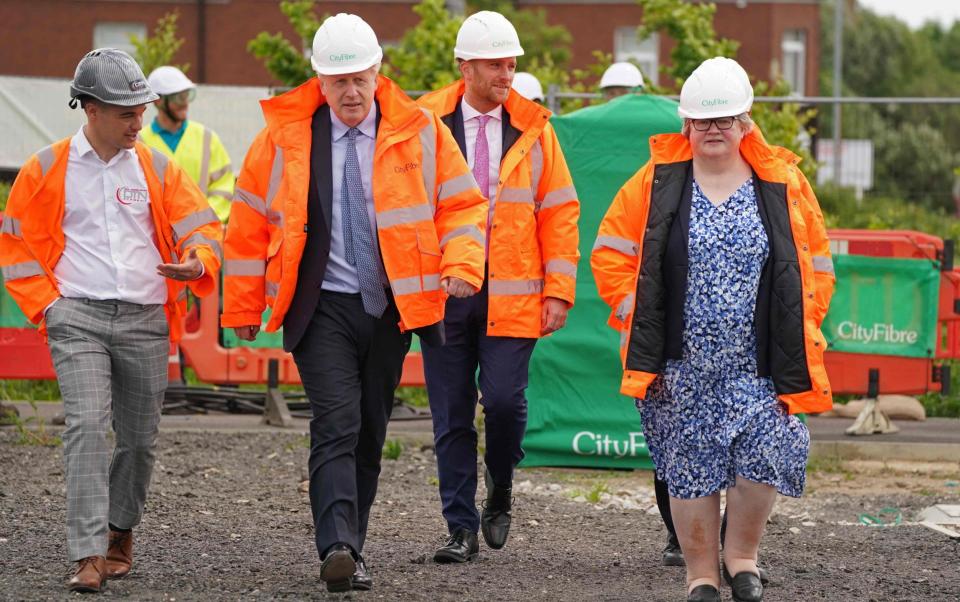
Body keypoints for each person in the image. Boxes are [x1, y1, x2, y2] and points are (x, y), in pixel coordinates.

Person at [221, 13, 488, 593]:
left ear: (377, 73)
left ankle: (354, 543)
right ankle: (337, 546)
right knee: (335, 423)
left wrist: (463, 265)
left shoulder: (418, 131)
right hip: (320, 306)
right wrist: (241, 307)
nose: (349, 91)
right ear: (318, 80)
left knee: (369, 429)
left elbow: (464, 206)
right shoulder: (284, 139)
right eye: (337, 80)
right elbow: (245, 225)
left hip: (391, 307)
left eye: (359, 79)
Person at [591, 57, 834, 602]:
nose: (714, 131)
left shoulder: (782, 182)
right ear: (686, 126)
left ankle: (742, 558)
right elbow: (609, 251)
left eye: (725, 120)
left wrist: (805, 323)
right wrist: (635, 307)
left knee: (769, 452)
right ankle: (700, 575)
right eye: (703, 121)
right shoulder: (656, 182)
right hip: (681, 366)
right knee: (691, 468)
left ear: (747, 122)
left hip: (762, 364)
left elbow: (816, 260)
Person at [0, 48, 221, 593]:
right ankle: (87, 554)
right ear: (90, 109)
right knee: (85, 428)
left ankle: (121, 531)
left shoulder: (159, 168)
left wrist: (196, 262)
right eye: (126, 112)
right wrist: (50, 306)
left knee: (139, 439)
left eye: (141, 110)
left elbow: (203, 228)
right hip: (76, 316)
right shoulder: (46, 168)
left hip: (147, 317)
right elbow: (15, 243)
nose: (138, 122)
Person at [417, 10, 580, 563]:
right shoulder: (423, 123)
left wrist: (558, 290)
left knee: (506, 405)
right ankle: (459, 527)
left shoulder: (536, 129)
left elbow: (560, 213)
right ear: (464, 67)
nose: (506, 73)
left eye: (511, 63)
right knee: (450, 411)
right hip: (444, 291)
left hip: (512, 293)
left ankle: (501, 484)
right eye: (495, 64)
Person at [141, 66, 235, 222]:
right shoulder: (138, 142)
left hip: (200, 235)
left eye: (188, 96)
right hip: (155, 238)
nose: (185, 103)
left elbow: (224, 186)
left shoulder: (207, 138)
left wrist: (202, 220)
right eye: (178, 97)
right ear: (158, 101)